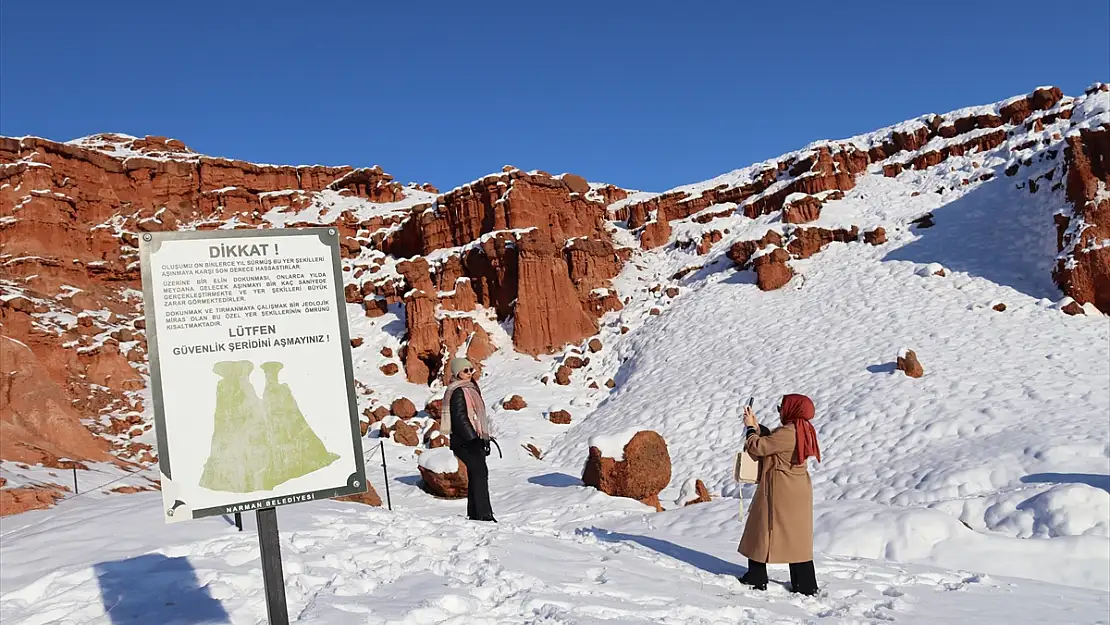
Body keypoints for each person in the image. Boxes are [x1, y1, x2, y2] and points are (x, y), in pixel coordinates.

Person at [737, 393, 821, 596]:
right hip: (797, 488)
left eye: (782, 408)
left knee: (760, 528)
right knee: (797, 538)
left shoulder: (789, 432)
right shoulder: (804, 429)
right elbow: (775, 440)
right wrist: (758, 427)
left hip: (779, 489)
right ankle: (805, 583)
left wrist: (750, 429)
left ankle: (756, 577)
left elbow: (759, 447)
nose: (780, 411)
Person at [440, 358, 495, 522]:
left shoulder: (470, 388)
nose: (470, 373)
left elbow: (475, 417)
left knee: (478, 473)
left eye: (471, 369)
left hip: (472, 439)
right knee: (479, 473)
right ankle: (483, 514)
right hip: (464, 442)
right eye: (466, 371)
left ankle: (476, 513)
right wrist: (474, 440)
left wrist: (483, 439)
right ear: (458, 373)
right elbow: (460, 418)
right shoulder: (457, 391)